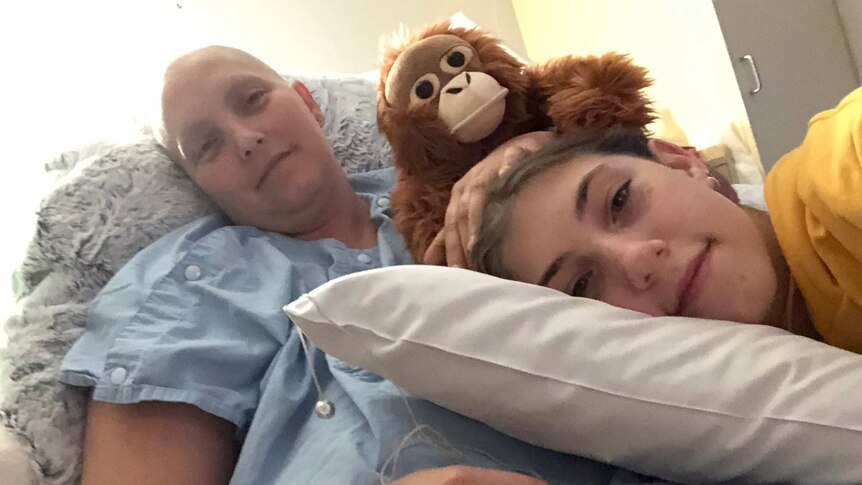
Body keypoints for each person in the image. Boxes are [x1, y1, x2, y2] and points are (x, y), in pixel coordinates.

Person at [59, 46, 651, 484]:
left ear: (310, 105)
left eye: (253, 100)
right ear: (196, 185)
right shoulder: (195, 280)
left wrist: (538, 157)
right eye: (206, 146)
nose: (244, 138)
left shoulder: (447, 189)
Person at [469, 87, 862, 349]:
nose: (636, 259)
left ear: (682, 162)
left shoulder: (845, 168)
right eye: (582, 285)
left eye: (620, 199)